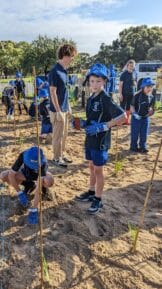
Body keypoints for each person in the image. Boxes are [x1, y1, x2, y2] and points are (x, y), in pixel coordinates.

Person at [76, 63, 126, 214]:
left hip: (101, 141)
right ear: (88, 81)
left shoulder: (105, 98)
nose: (95, 84)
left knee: (98, 170)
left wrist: (104, 126)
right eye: (92, 81)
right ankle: (91, 192)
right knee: (91, 166)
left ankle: (98, 199)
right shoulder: (91, 97)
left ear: (104, 81)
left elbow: (122, 116)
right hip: (90, 138)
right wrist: (84, 123)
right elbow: (92, 118)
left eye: (98, 81)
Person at [0, 146, 54, 224]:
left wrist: (34, 208)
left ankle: (45, 190)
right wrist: (19, 192)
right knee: (3, 175)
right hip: (25, 174)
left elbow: (38, 189)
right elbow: (11, 174)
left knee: (49, 181)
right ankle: (29, 185)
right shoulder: (23, 155)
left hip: (37, 177)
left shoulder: (43, 163)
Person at [49, 43, 77, 167]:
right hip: (57, 110)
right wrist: (58, 110)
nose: (72, 59)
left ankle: (62, 153)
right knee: (58, 136)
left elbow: (64, 91)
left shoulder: (64, 71)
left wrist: (68, 106)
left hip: (65, 108)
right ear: (64, 55)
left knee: (64, 135)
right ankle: (56, 157)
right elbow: (52, 92)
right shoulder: (54, 71)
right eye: (71, 56)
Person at [130, 77, 155, 153]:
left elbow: (151, 107)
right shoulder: (137, 95)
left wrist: (151, 110)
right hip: (136, 118)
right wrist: (134, 114)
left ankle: (143, 147)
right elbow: (132, 106)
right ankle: (133, 147)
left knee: (144, 134)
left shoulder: (151, 97)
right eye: (147, 87)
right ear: (143, 86)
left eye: (151, 87)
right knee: (135, 133)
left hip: (145, 118)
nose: (149, 89)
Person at [119, 59, 137, 125]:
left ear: (134, 66)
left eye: (132, 66)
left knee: (129, 107)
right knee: (122, 107)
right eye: (130, 65)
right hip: (124, 93)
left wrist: (135, 89)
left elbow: (135, 83)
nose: (131, 67)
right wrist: (120, 94)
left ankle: (126, 121)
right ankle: (120, 121)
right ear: (127, 66)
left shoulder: (134, 74)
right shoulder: (123, 74)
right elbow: (120, 85)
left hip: (131, 93)